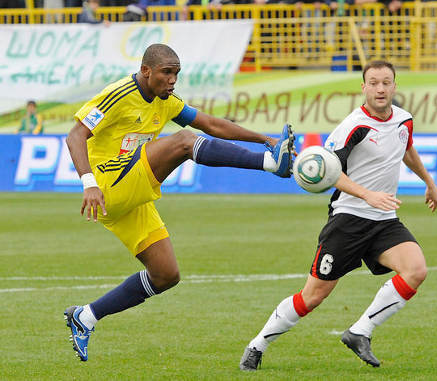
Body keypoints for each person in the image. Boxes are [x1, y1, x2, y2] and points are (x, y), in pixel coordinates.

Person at [63, 43, 295, 362]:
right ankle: (271, 166)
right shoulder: (118, 94)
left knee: (166, 275)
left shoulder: (166, 102)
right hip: (107, 184)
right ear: (146, 71)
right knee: (184, 142)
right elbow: (75, 135)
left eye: (176, 74)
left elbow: (211, 124)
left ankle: (85, 316)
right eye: (166, 73)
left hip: (130, 197)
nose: (173, 80)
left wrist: (265, 139)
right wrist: (88, 183)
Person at [239, 60, 437, 371]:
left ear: (395, 86)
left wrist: (429, 182)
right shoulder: (352, 127)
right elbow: (328, 172)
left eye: (386, 82)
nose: (380, 88)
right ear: (364, 88)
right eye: (373, 82)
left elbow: (406, 148)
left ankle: (360, 332)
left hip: (385, 222)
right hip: (348, 221)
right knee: (312, 297)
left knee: (415, 270)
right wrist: (367, 194)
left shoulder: (404, 120)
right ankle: (257, 345)